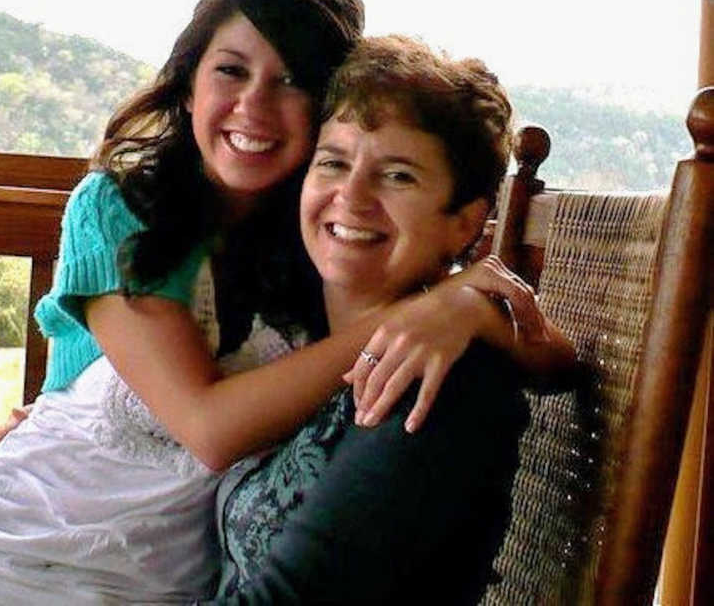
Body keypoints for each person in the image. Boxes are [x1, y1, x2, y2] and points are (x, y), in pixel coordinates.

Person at [0, 0, 567, 606]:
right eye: (231, 70)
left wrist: (472, 314)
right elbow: (206, 428)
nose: (254, 104)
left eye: (290, 80)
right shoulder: (123, 210)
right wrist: (426, 310)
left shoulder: (319, 251)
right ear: (188, 84)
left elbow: (556, 362)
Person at [210, 35, 557, 604]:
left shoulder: (440, 380)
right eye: (334, 162)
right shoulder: (299, 342)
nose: (352, 196)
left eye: (398, 175)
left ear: (465, 224)